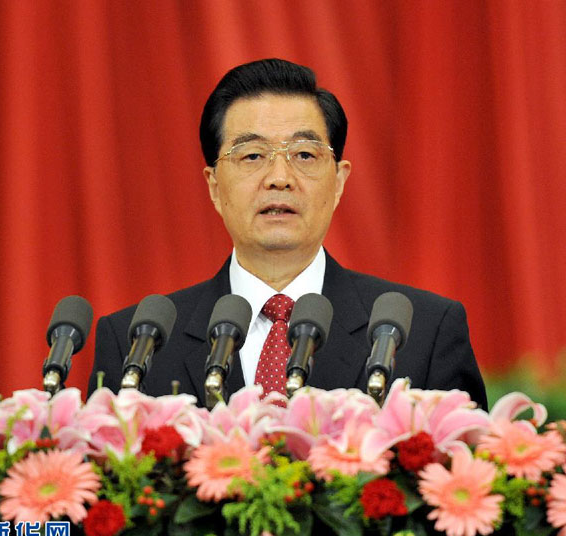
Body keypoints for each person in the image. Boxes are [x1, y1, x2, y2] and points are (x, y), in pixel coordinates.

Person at [88, 58, 487, 410]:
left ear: (338, 182)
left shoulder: (425, 333)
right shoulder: (135, 344)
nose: (280, 178)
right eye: (252, 156)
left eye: (304, 155)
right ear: (214, 186)